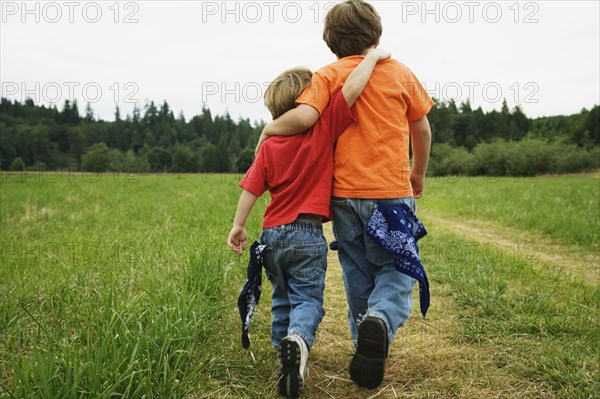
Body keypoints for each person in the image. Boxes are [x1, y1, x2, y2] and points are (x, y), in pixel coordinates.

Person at [254, 0, 434, 390]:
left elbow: (305, 118)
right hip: (390, 194)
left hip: (343, 198)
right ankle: (380, 322)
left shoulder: (327, 75)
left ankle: (362, 342)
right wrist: (417, 172)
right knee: (397, 266)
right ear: (377, 35)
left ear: (331, 44)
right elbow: (422, 129)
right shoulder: (400, 72)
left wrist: (269, 130)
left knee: (356, 271)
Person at [227, 48, 391, 398]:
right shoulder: (320, 132)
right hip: (306, 233)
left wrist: (238, 226)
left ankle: (283, 353)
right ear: (310, 100)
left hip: (270, 237)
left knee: (283, 297)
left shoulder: (269, 145)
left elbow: (251, 189)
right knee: (308, 300)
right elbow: (351, 89)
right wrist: (371, 58)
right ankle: (298, 340)